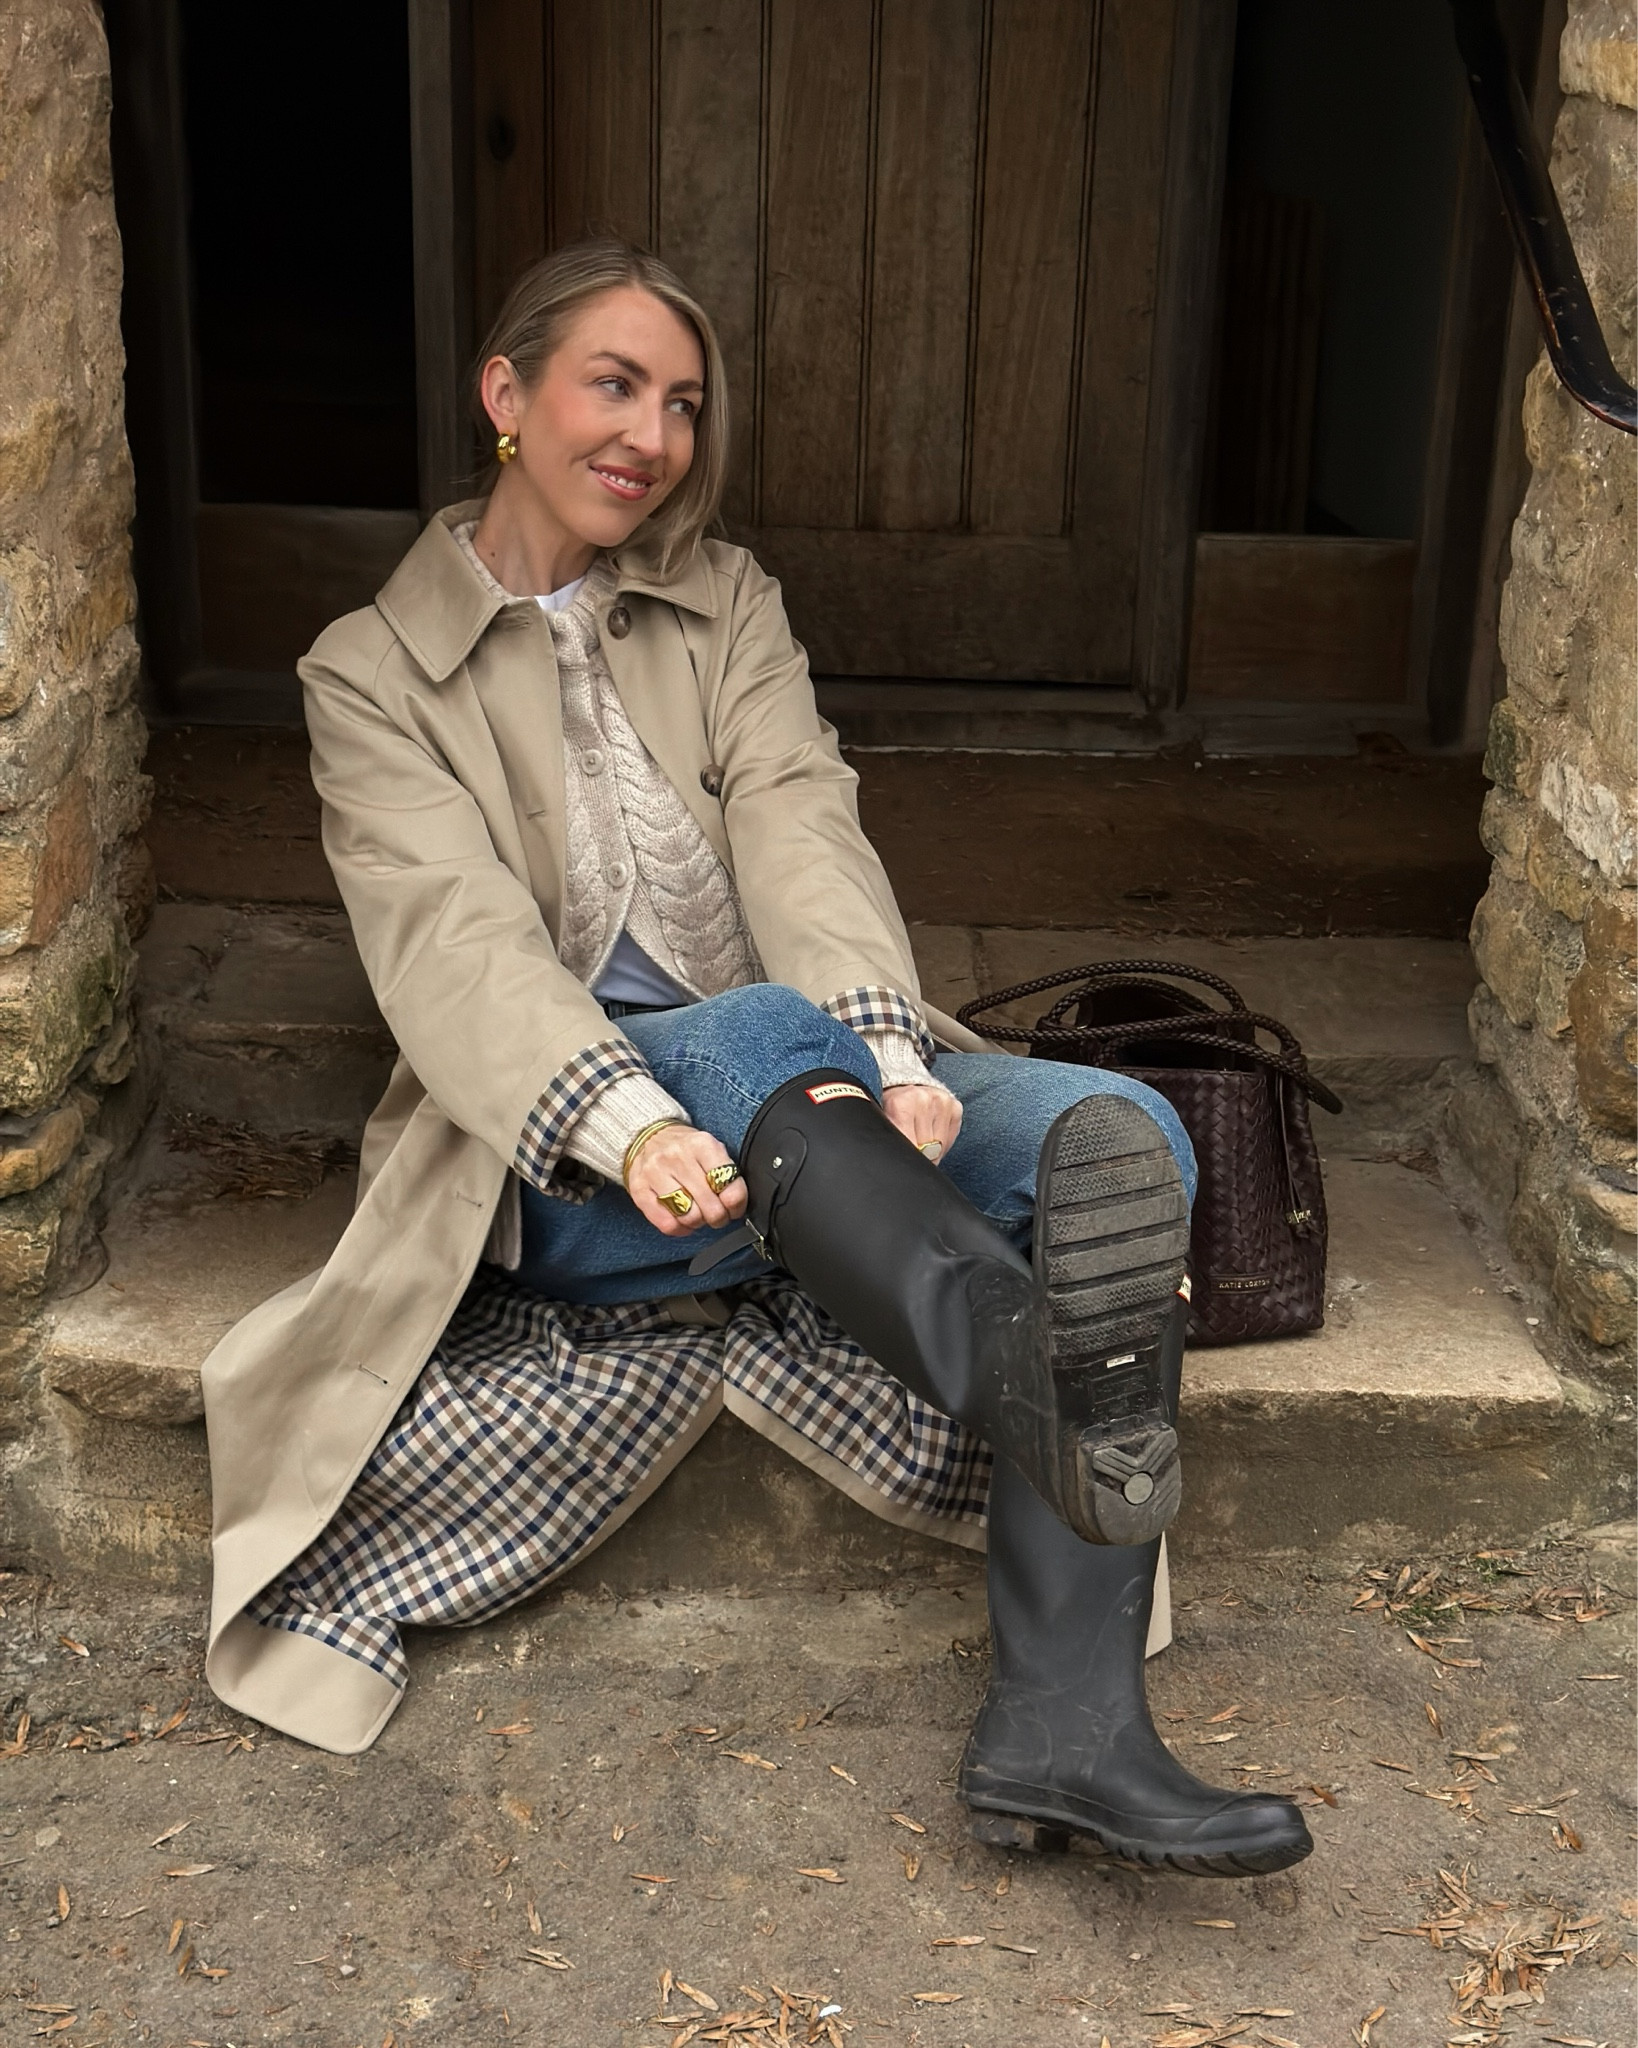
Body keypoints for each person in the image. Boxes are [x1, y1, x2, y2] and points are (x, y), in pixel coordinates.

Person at [199, 238, 1310, 1878]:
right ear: (505, 396)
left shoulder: (727, 605)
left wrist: (879, 1044)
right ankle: (1035, 1370)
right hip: (584, 1165)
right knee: (739, 1034)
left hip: (825, 1117)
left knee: (1112, 1132)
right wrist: (630, 1116)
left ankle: (1061, 1739)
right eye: (613, 384)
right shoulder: (369, 673)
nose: (652, 435)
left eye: (683, 403)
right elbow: (454, 946)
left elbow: (802, 823)